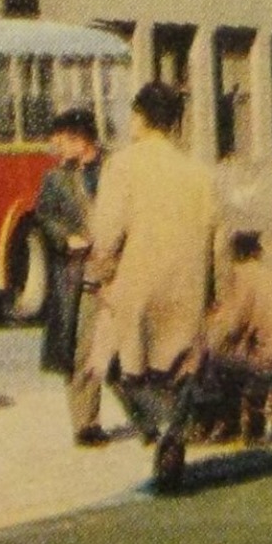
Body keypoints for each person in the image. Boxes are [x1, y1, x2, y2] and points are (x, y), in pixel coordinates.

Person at [83, 82, 220, 487]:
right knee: (176, 370)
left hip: (136, 286)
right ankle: (173, 431)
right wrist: (213, 291)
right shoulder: (198, 173)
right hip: (186, 289)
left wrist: (100, 275)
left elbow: (107, 231)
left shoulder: (123, 165)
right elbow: (217, 238)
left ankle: (158, 430)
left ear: (139, 117)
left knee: (110, 364)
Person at [34, 107, 115, 446]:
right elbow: (45, 217)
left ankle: (151, 419)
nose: (57, 149)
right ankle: (85, 422)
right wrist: (65, 238)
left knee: (129, 350)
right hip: (79, 274)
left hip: (118, 271)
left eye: (62, 142)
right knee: (81, 349)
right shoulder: (55, 179)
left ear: (82, 140)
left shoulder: (116, 168)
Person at [197, 231, 272, 440]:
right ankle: (250, 420)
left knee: (212, 363)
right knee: (238, 358)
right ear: (258, 252)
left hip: (271, 365)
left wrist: (212, 333)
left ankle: (230, 424)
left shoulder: (243, 277)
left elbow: (233, 327)